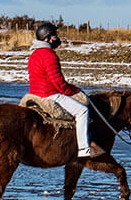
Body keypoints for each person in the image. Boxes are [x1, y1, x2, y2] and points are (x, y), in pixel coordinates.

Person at [28, 22, 100, 158]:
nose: (57, 37)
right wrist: (76, 90)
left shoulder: (34, 54)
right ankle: (84, 149)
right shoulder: (49, 55)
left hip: (34, 93)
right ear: (47, 38)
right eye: (54, 35)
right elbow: (58, 83)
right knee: (82, 111)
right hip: (49, 94)